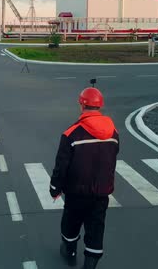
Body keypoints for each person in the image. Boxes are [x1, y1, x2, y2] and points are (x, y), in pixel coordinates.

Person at [49, 86, 120, 269]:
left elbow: (61, 167)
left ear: (81, 105)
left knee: (70, 225)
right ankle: (90, 265)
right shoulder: (114, 133)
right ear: (100, 106)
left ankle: (70, 251)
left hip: (76, 193)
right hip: (101, 194)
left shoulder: (71, 134)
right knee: (96, 230)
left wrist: (55, 189)